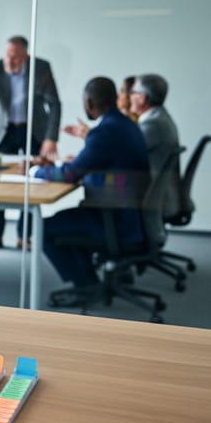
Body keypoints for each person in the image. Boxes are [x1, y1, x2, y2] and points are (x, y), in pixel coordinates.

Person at [31, 77, 150, 305]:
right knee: (65, 220)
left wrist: (36, 172)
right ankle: (88, 280)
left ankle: (86, 285)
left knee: (43, 228)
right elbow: (92, 163)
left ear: (89, 102)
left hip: (113, 220)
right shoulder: (126, 125)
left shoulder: (105, 132)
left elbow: (70, 175)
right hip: (127, 215)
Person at [0, 35, 62, 250]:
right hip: (5, 131)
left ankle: (23, 236)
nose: (10, 60)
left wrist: (51, 138)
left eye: (15, 57)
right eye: (7, 55)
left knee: (31, 180)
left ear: (26, 56)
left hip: (33, 130)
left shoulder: (41, 68)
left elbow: (54, 103)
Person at [129, 73, 182, 218]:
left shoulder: (153, 125)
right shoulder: (159, 117)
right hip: (159, 195)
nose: (129, 96)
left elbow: (124, 153)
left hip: (154, 200)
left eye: (132, 92)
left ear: (143, 98)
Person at [64, 75, 138, 141]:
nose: (118, 95)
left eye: (122, 91)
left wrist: (90, 135)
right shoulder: (123, 122)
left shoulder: (124, 124)